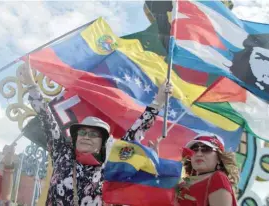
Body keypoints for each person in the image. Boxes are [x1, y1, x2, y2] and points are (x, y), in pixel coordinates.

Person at [17, 63, 172, 206]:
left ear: (103, 142)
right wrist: (31, 83)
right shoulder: (62, 153)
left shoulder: (111, 164)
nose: (86, 136)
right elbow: (46, 117)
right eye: (82, 132)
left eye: (93, 134)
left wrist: (158, 102)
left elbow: (135, 133)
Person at [176, 134, 239, 206]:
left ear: (219, 158)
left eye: (206, 149)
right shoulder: (184, 182)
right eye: (194, 149)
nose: (198, 154)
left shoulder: (218, 178)